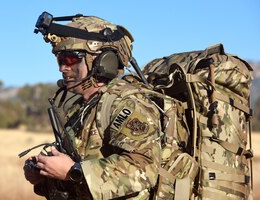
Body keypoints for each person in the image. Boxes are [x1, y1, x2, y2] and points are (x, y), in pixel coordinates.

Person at [23, 13, 162, 200]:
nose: (62, 68)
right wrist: (44, 175)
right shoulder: (81, 109)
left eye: (70, 59)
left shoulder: (127, 104)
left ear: (102, 61)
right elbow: (77, 184)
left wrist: (73, 171)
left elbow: (144, 167)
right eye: (60, 60)